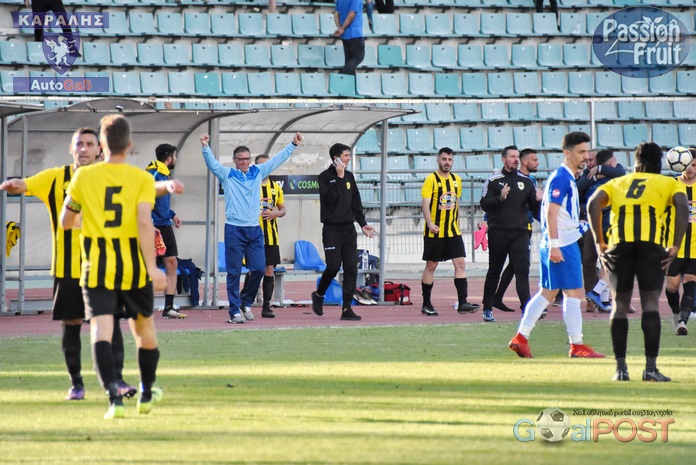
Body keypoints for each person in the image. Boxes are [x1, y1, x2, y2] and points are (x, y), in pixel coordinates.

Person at [0, 128, 136, 402]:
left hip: (103, 266)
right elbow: (25, 184)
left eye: (90, 144)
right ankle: (76, 384)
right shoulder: (54, 177)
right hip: (67, 268)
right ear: (71, 148)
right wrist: (13, 185)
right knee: (71, 324)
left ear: (99, 149)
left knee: (109, 322)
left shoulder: (111, 177)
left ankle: (118, 380)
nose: (84, 149)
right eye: (79, 144)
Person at [60, 115, 170, 418]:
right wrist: (153, 267)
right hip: (134, 268)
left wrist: (80, 215)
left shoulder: (83, 177)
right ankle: (145, 394)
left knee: (101, 330)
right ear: (130, 145)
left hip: (97, 267)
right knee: (144, 330)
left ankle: (114, 401)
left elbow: (66, 221)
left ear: (101, 145)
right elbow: (144, 222)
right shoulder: (141, 179)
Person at [588, 142, 688, 382]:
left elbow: (593, 203)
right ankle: (650, 369)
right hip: (651, 247)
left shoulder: (618, 182)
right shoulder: (669, 183)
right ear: (659, 164)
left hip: (619, 246)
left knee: (619, 305)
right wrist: (675, 246)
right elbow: (682, 207)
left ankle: (621, 370)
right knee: (650, 305)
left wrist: (600, 242)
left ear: (636, 163)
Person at [509, 131, 605, 359]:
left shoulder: (566, 176)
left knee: (548, 293)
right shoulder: (562, 177)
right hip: (561, 244)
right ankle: (576, 344)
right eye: (581, 152)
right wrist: (555, 245)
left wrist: (576, 225)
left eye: (586, 152)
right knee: (574, 293)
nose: (585, 157)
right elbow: (551, 212)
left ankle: (521, 337)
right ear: (567, 153)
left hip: (558, 242)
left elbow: (558, 213)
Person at [200, 132, 303, 324]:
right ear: (235, 160)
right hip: (234, 229)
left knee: (258, 268)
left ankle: (245, 303)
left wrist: (293, 144)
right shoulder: (227, 174)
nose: (245, 162)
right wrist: (205, 147)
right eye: (241, 159)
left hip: (255, 230)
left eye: (247, 159)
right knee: (234, 272)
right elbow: (212, 164)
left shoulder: (258, 171)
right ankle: (234, 311)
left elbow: (278, 159)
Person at [311, 143, 375, 321]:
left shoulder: (350, 176)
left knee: (351, 268)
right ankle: (319, 294)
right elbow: (330, 199)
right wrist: (339, 178)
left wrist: (363, 224)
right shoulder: (324, 177)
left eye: (348, 155)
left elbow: (356, 203)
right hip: (331, 229)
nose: (348, 159)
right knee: (333, 266)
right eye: (346, 155)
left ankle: (346, 308)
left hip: (348, 229)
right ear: (336, 158)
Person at [480, 145, 541, 322]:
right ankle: (487, 308)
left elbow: (534, 208)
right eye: (512, 156)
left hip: (520, 233)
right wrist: (500, 197)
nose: (515, 159)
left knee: (522, 272)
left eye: (517, 156)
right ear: (503, 159)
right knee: (494, 271)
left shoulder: (527, 182)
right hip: (498, 232)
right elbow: (484, 204)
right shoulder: (494, 180)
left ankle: (526, 308)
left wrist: (540, 202)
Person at [420, 147, 479, 317]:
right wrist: (430, 223)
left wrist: (457, 225)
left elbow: (455, 204)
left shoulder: (456, 180)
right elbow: (425, 203)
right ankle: (426, 304)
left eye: (450, 159)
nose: (447, 162)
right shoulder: (431, 179)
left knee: (460, 264)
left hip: (453, 231)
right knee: (431, 266)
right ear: (438, 160)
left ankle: (462, 303)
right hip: (435, 231)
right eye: (444, 159)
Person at [577, 149, 627, 313]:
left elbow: (621, 172)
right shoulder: (587, 174)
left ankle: (606, 298)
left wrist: (599, 170)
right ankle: (594, 298)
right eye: (587, 160)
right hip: (592, 223)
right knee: (589, 260)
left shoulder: (614, 171)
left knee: (611, 261)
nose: (588, 163)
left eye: (591, 160)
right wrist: (593, 177)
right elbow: (578, 189)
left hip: (610, 223)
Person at [240, 154, 286, 319]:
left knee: (269, 270)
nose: (265, 168)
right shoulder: (250, 185)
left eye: (268, 165)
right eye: (262, 165)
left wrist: (276, 213)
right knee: (254, 270)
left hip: (271, 237)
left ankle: (266, 306)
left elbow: (283, 209)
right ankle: (244, 300)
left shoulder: (275, 187)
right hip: (253, 236)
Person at [146, 144, 187, 320]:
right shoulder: (153, 174)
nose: (176, 159)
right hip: (152, 227)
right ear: (169, 158)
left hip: (165, 226)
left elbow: (160, 202)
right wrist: (149, 223)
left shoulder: (164, 174)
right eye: (175, 156)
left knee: (172, 263)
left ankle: (169, 307)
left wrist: (172, 214)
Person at [665, 149, 696, 336]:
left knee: (691, 281)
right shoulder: (671, 185)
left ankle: (683, 321)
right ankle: (677, 314)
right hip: (674, 246)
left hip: (695, 247)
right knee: (672, 286)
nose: (691, 169)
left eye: (695, 165)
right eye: (688, 165)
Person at [334, 0, 365, 76]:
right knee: (358, 58)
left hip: (345, 35)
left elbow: (336, 14)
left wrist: (339, 28)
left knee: (349, 61)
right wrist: (342, 28)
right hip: (355, 33)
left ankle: (348, 82)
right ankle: (340, 76)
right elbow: (351, 15)